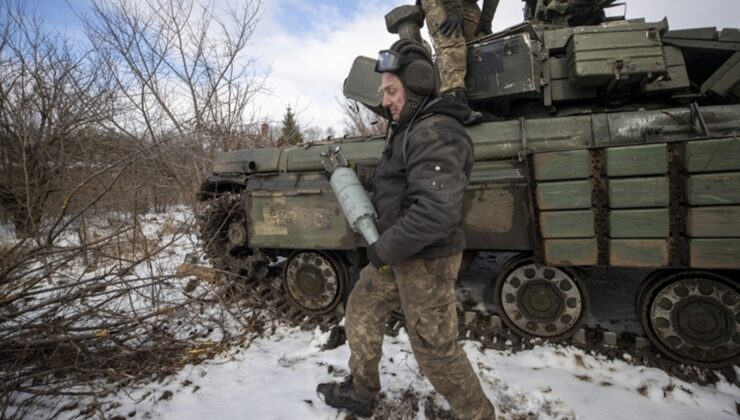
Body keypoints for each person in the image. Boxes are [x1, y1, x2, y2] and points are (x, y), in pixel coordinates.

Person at [316, 39, 496, 420]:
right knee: (363, 307)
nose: (385, 101)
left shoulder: (436, 132)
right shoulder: (410, 127)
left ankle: (479, 415)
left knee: (435, 350)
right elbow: (398, 179)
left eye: (391, 91)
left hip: (426, 261)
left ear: (416, 87)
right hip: (400, 252)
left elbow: (434, 213)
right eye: (384, 92)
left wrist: (382, 250)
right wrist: (352, 174)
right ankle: (362, 391)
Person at [419, 0, 500, 106]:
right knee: (451, 37)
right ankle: (454, 96)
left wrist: (486, 20)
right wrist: (453, 9)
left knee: (480, 44)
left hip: (467, 3)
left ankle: (484, 101)